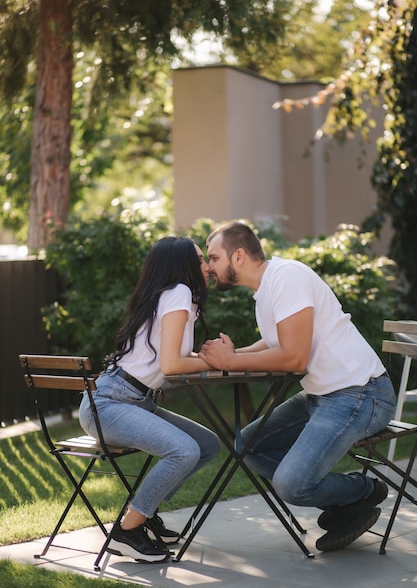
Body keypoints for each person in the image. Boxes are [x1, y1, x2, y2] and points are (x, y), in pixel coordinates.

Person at [199, 221, 396, 553]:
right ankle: (347, 505)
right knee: (248, 445)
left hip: (361, 393)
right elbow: (276, 339)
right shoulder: (266, 292)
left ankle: (361, 491)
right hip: (322, 396)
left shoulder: (287, 277)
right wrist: (235, 354)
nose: (209, 267)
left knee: (291, 484)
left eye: (214, 258)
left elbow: (294, 358)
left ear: (240, 256)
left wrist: (231, 362)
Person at [79, 236, 221, 563]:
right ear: (183, 265)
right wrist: (216, 361)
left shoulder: (171, 297)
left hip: (131, 400)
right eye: (200, 259)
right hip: (110, 404)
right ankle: (127, 531)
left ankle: (144, 515)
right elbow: (172, 366)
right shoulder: (179, 293)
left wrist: (212, 356)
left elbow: (172, 358)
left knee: (207, 444)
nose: (207, 266)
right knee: (184, 450)